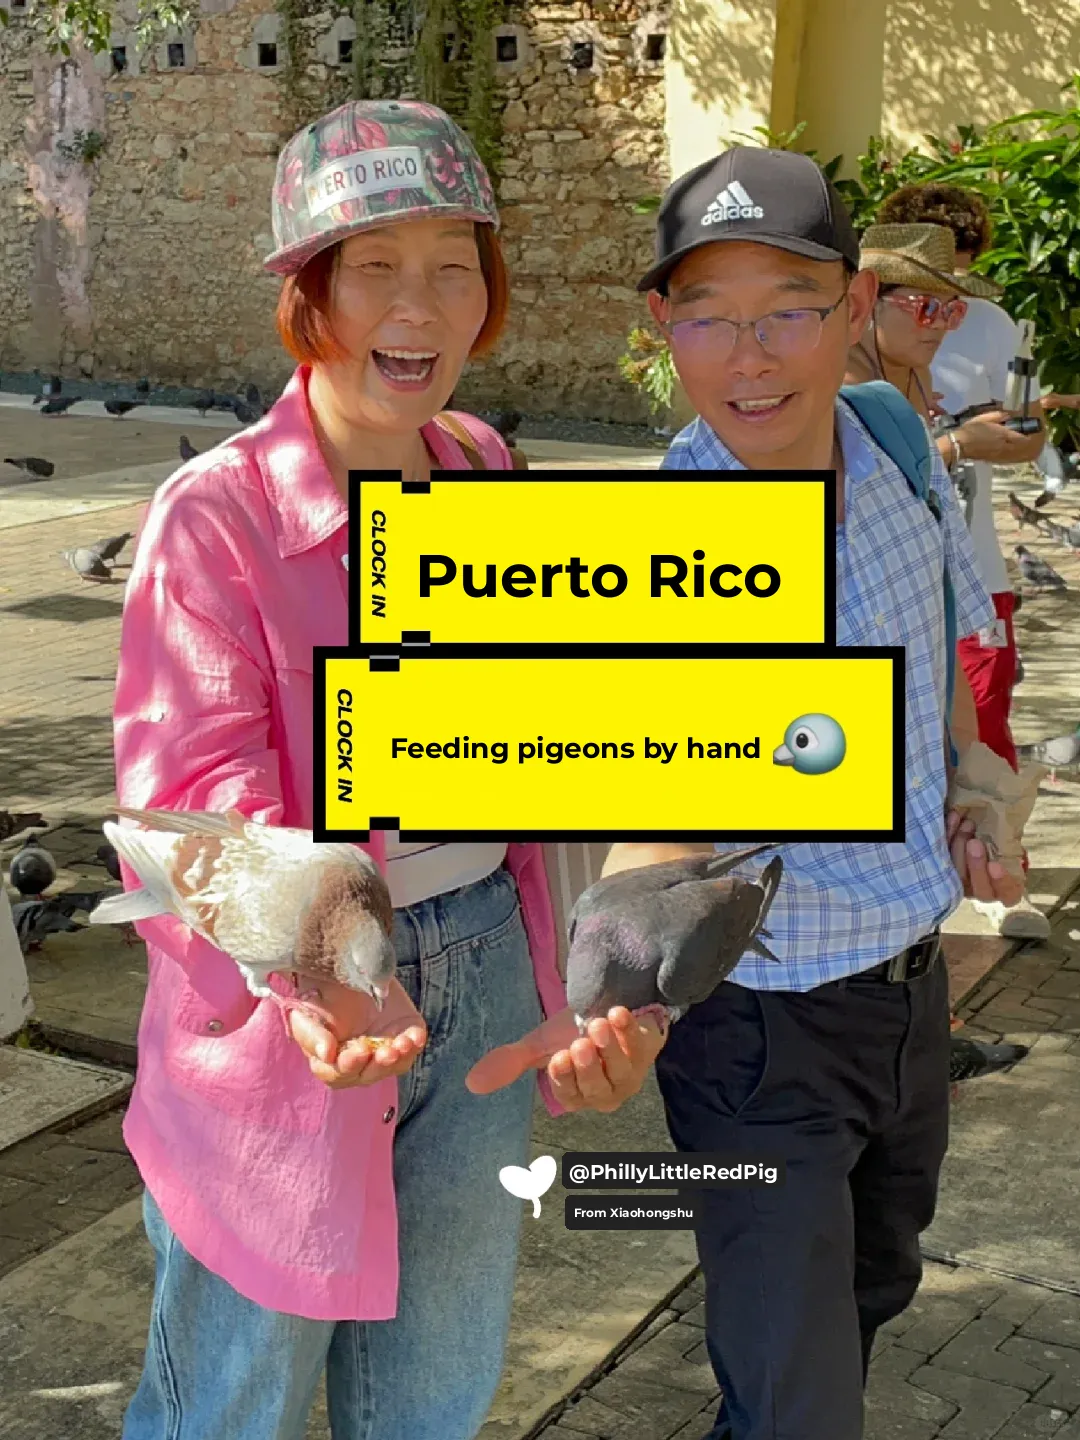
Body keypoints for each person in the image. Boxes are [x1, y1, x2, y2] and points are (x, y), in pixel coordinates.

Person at [113, 99, 665, 1440]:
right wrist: (325, 958)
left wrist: (611, 971)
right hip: (290, 1017)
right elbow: (191, 801)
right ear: (310, 292)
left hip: (486, 971)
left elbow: (556, 735)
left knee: (435, 1390)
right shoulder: (218, 516)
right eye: (375, 266)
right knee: (229, 1401)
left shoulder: (482, 467)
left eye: (454, 266)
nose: (419, 307)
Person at [615, 144, 1024, 1440]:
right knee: (799, 1402)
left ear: (852, 308)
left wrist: (974, 792)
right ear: (663, 328)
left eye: (788, 310)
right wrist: (612, 991)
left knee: (869, 1299)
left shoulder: (898, 440)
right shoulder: (657, 547)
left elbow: (943, 641)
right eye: (711, 317)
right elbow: (639, 804)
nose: (752, 357)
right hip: (756, 1032)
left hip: (909, 997)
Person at [877, 182, 1066, 939]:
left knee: (981, 727)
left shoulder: (989, 324)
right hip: (889, 585)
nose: (943, 311)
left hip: (973, 570)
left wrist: (1008, 437)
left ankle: (995, 877)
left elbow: (1028, 434)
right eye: (925, 294)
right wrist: (954, 442)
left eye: (953, 290)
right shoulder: (846, 339)